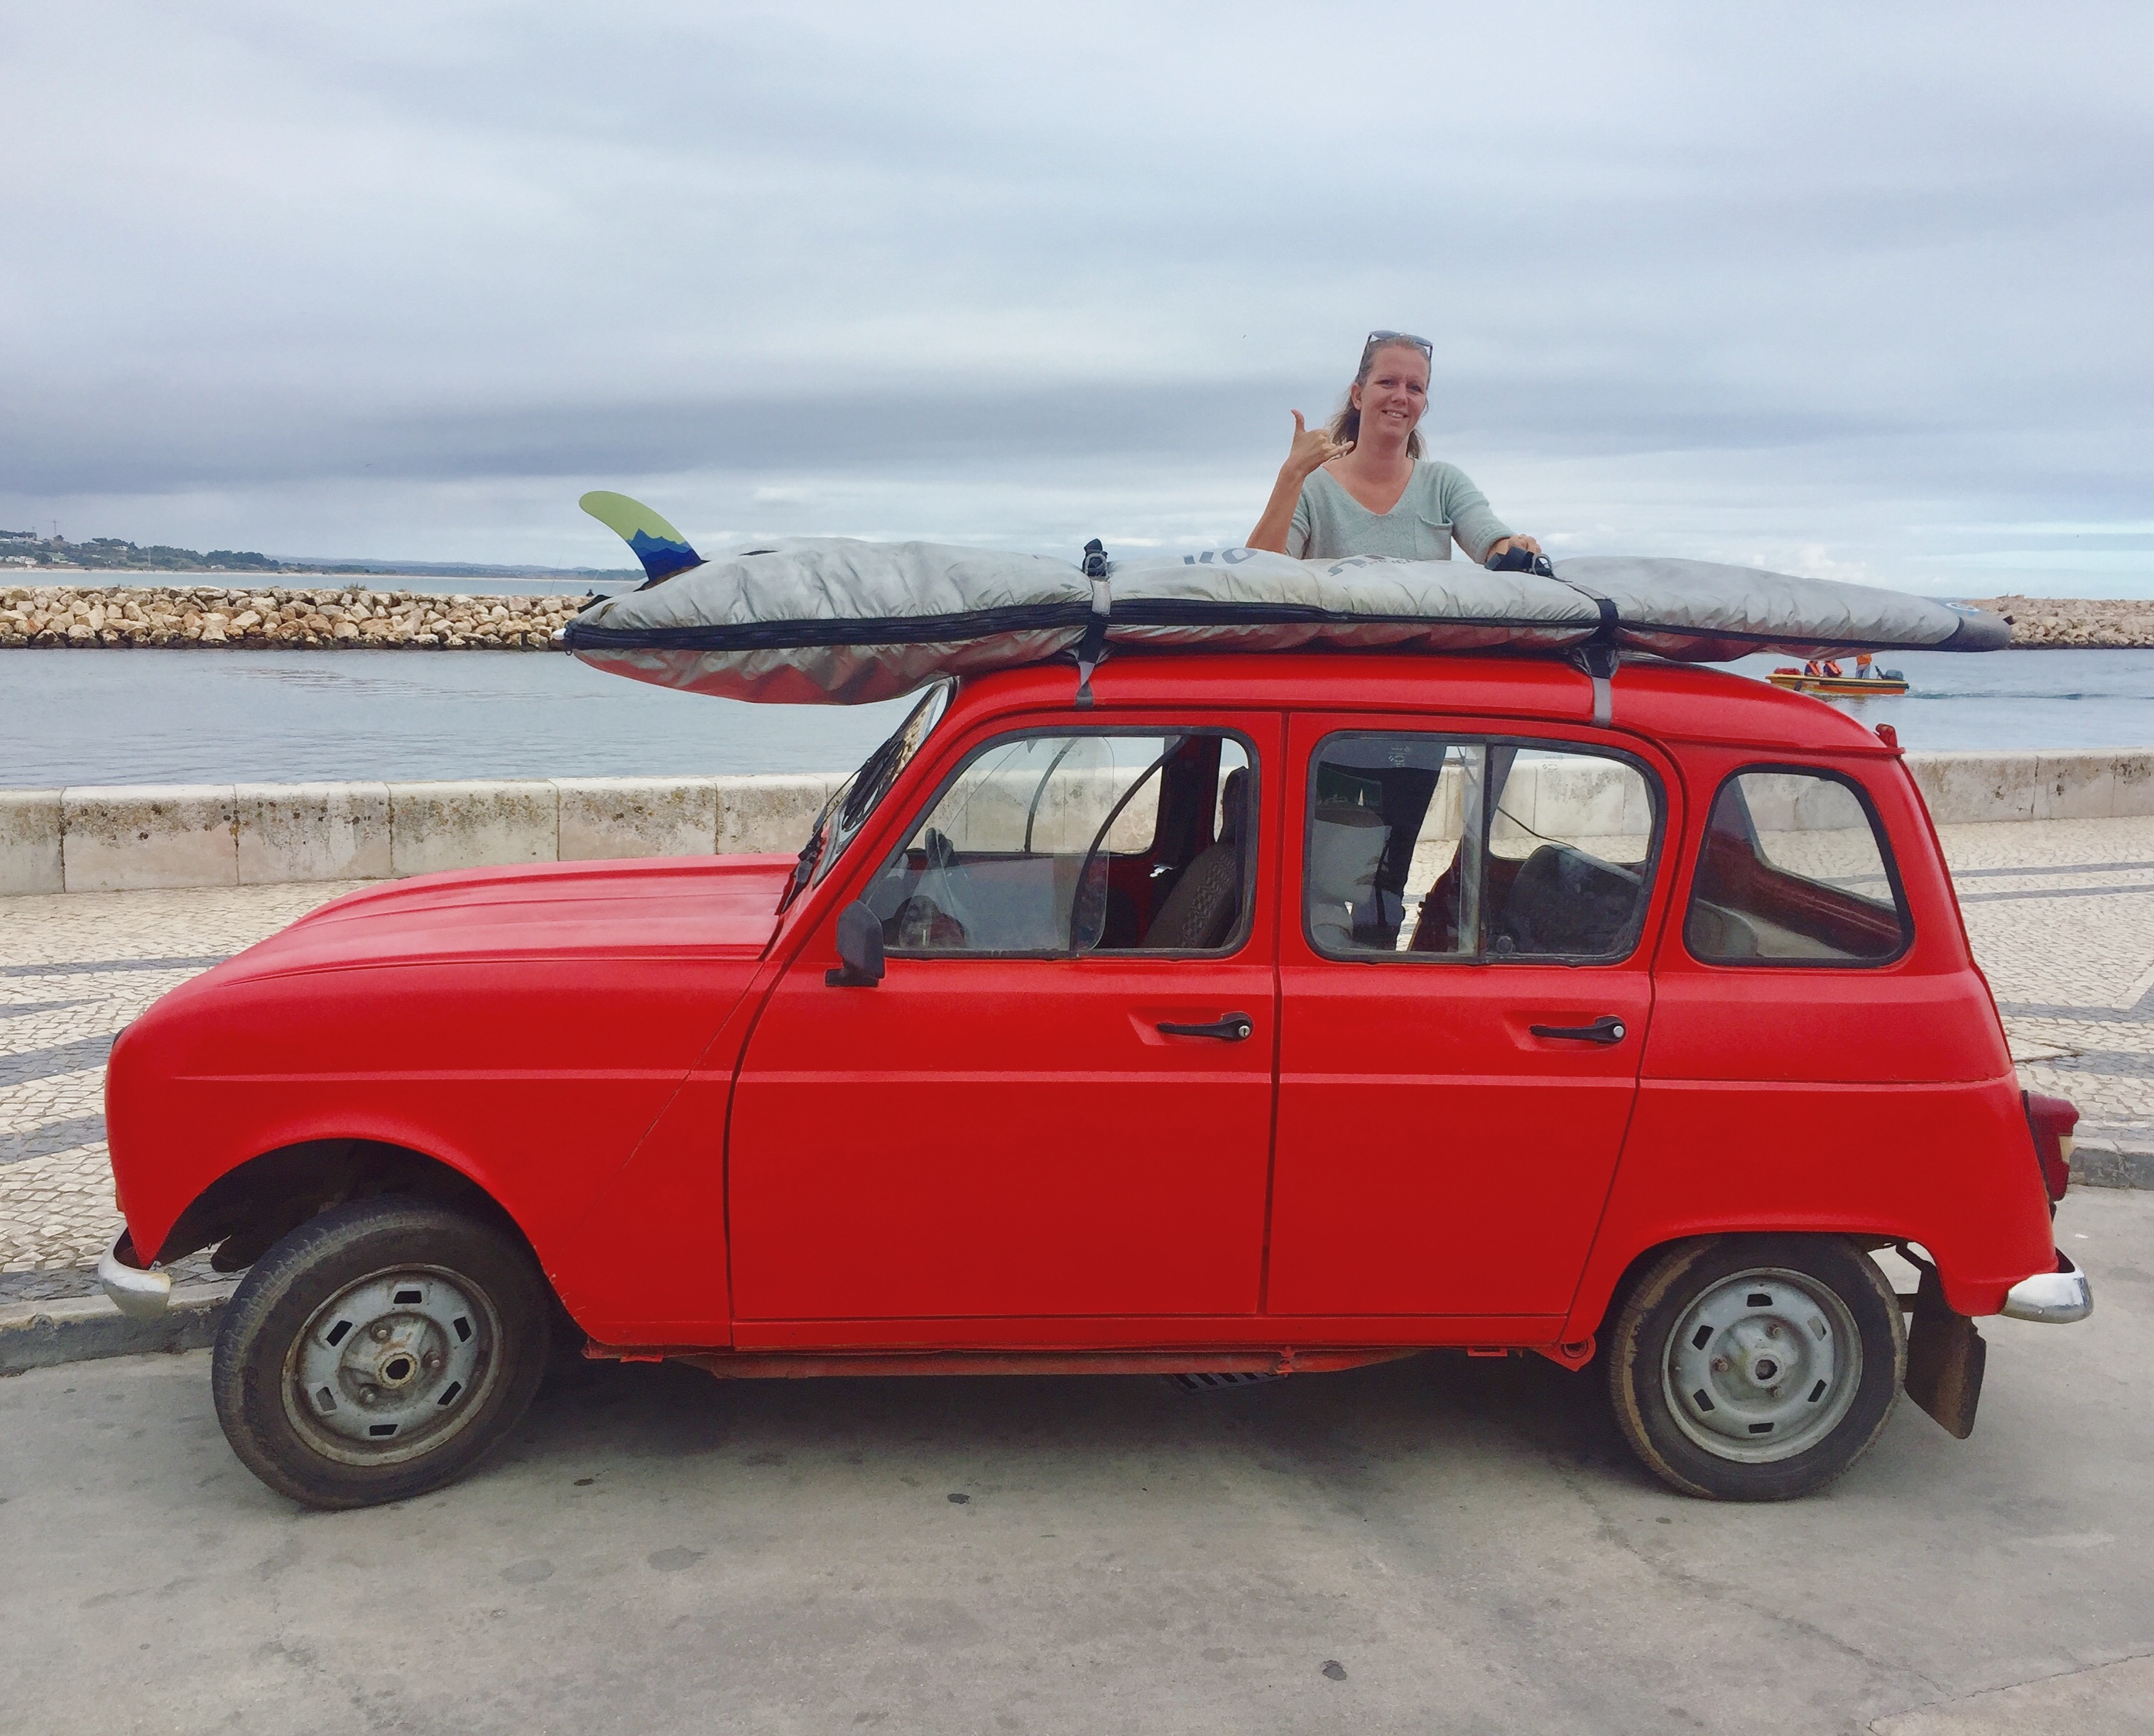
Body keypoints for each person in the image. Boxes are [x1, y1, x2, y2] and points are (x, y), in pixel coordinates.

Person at [1246, 331, 1542, 565]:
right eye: (1387, 382)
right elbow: (1258, 574)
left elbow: (1489, 539)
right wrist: (1292, 473)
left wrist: (1513, 548)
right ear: (1358, 396)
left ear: (1423, 404)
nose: (1401, 397)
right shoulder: (1311, 487)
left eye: (1415, 388)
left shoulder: (1444, 484)